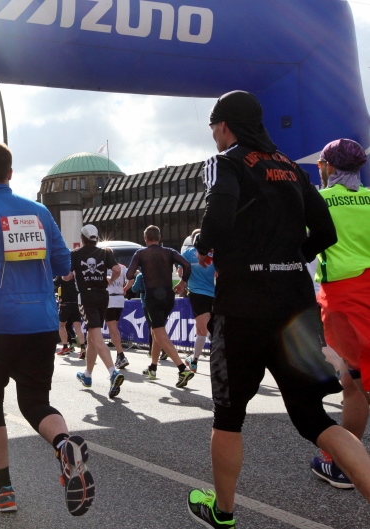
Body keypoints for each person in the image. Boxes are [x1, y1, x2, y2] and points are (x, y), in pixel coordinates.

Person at [186, 90, 370, 528]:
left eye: (213, 127)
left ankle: (223, 513)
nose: (212, 135)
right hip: (295, 308)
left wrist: (205, 246)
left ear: (224, 125)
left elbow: (218, 217)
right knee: (313, 418)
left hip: (242, 308)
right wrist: (289, 258)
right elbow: (325, 232)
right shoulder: (291, 167)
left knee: (229, 416)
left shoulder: (225, 162)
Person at [0, 142, 94, 516]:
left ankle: (4, 490)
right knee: (34, 401)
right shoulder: (39, 212)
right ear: (11, 173)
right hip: (40, 323)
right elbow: (63, 265)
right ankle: (64, 445)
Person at [308, 138, 370, 488]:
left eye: (321, 164)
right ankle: (346, 462)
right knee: (351, 382)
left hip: (346, 298)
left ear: (329, 167)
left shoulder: (320, 200)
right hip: (364, 291)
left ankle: (350, 467)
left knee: (362, 380)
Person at [123, 225, 194, 388]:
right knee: (157, 331)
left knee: (159, 331)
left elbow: (129, 274)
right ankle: (153, 368)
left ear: (145, 238)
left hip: (152, 298)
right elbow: (187, 265)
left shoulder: (141, 253)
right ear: (159, 238)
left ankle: (182, 368)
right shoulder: (169, 252)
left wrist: (138, 273)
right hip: (169, 296)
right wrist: (182, 283)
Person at [65, 224, 125, 398]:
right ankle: (88, 375)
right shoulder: (105, 252)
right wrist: (109, 280)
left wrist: (66, 273)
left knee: (96, 336)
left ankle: (112, 372)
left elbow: (66, 276)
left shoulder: (75, 253)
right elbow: (117, 270)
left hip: (86, 296)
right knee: (92, 336)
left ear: (82, 238)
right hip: (103, 296)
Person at [179, 228, 216, 373]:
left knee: (203, 329)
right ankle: (195, 360)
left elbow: (180, 272)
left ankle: (195, 359)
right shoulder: (213, 252)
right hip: (208, 293)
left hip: (202, 294)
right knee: (203, 328)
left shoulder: (187, 253)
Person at [54, 276, 86, 358]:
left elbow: (53, 284)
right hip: (76, 304)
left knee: (61, 325)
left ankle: (65, 346)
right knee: (77, 327)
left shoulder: (62, 275)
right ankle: (82, 347)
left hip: (65, 304)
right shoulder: (76, 275)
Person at [105, 263, 129, 369]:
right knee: (114, 328)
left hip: (109, 299)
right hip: (119, 299)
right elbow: (131, 280)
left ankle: (121, 355)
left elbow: (108, 280)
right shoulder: (122, 267)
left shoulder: (103, 266)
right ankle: (119, 355)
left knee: (113, 329)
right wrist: (125, 289)